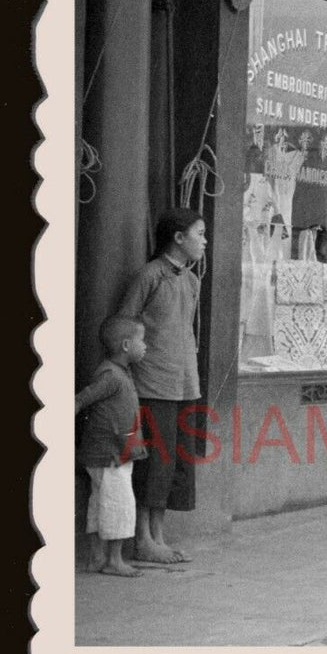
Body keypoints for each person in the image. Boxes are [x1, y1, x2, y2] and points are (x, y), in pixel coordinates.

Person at [119, 208, 207, 563]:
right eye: (199, 233)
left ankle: (158, 536)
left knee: (173, 462)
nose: (204, 241)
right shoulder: (149, 276)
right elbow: (124, 324)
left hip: (185, 383)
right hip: (152, 384)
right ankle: (143, 539)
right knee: (154, 460)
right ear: (178, 237)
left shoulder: (191, 281)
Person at [75, 316, 149, 578]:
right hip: (110, 455)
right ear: (127, 345)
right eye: (142, 340)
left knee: (100, 504)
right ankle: (114, 560)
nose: (146, 346)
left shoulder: (119, 373)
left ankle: (97, 557)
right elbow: (83, 398)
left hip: (109, 454)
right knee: (120, 504)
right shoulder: (112, 376)